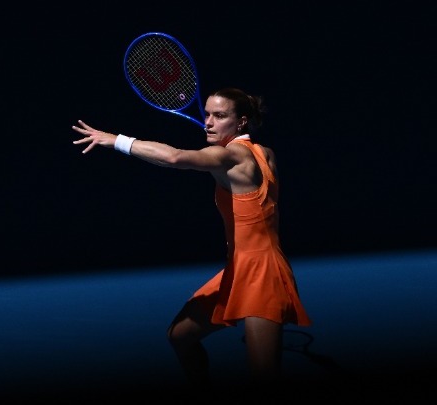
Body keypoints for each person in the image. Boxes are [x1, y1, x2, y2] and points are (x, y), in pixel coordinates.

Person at [71, 87, 311, 400]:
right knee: (180, 336)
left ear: (241, 121)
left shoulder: (231, 156)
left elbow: (174, 157)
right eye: (207, 114)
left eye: (219, 116)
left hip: (261, 273)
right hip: (240, 268)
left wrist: (116, 140)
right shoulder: (265, 153)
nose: (208, 122)